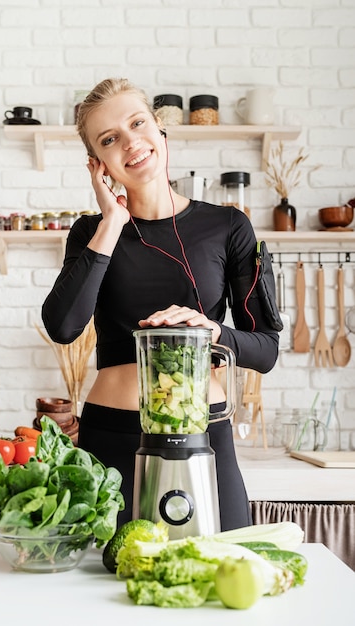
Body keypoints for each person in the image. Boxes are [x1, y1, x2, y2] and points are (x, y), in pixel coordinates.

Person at [41, 78, 280, 531]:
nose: (131, 142)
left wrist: (209, 331)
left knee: (220, 569)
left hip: (205, 433)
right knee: (101, 588)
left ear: (160, 131)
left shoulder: (229, 226)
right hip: (112, 436)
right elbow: (64, 327)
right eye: (110, 139)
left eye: (138, 123)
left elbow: (266, 349)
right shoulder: (91, 233)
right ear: (98, 164)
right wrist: (112, 221)